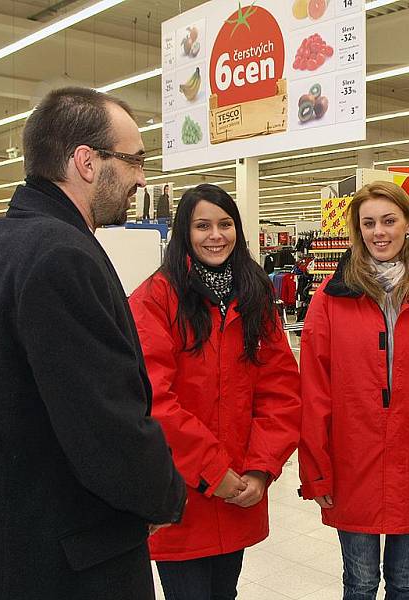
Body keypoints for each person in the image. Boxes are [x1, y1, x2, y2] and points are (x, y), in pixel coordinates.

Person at [0, 87, 187, 599]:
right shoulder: (62, 257)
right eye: (134, 159)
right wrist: (163, 497)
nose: (142, 177)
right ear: (87, 162)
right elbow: (105, 426)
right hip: (74, 560)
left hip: (10, 540)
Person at [298, 181, 409, 600]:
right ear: (357, 232)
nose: (379, 232)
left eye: (389, 220)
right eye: (369, 223)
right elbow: (314, 389)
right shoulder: (331, 297)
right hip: (351, 461)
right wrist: (315, 470)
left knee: (405, 581)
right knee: (359, 583)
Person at [129, 183, 302, 600]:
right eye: (202, 225)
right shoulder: (155, 298)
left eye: (225, 224)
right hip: (181, 497)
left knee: (226, 592)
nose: (215, 235)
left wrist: (261, 470)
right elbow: (153, 399)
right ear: (184, 233)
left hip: (240, 490)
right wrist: (213, 473)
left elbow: (281, 390)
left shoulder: (254, 294)